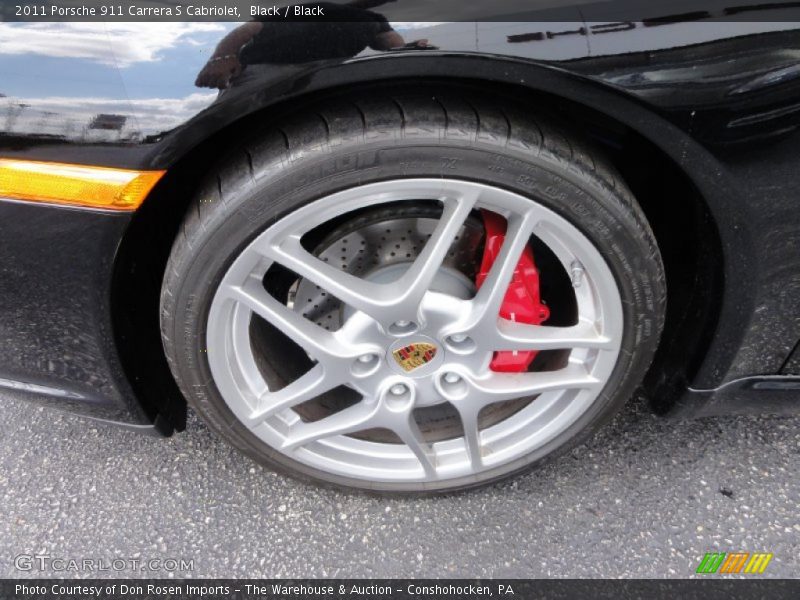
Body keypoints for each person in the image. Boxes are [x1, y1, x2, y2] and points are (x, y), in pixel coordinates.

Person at [196, 0, 428, 89]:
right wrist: (222, 56)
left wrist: (409, 48)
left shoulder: (374, 20)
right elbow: (250, 28)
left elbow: (391, 44)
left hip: (321, 76)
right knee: (233, 121)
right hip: (264, 70)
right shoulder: (315, 7)